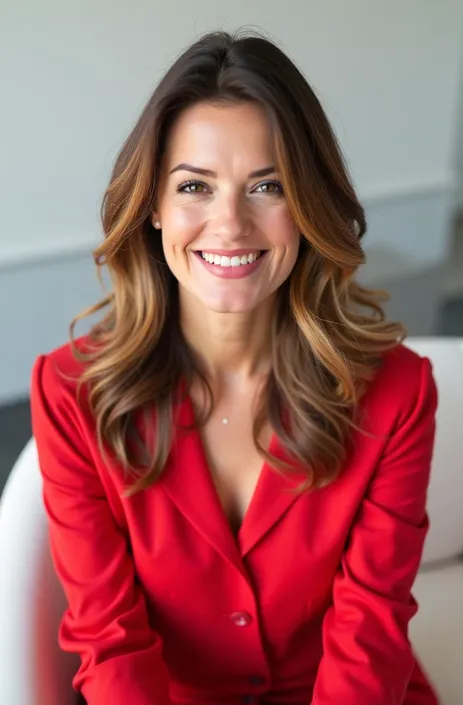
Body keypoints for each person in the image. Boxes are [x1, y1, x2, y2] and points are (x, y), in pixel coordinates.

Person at [30, 29, 439, 705]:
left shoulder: (398, 392)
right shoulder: (70, 393)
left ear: (309, 207)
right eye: (195, 186)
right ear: (153, 208)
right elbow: (111, 641)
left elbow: (370, 626)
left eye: (268, 186)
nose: (230, 224)